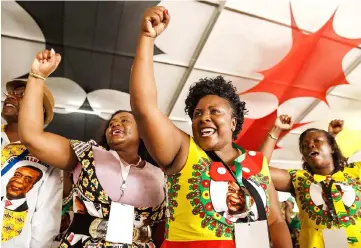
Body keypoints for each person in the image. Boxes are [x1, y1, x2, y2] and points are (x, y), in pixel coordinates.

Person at [129, 6, 292, 248]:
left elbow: (276, 221)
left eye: (215, 111)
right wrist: (146, 39)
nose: (204, 118)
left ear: (233, 122)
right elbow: (144, 109)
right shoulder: (183, 150)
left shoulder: (258, 163)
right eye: (197, 114)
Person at [18, 49, 167, 248]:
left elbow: (164, 228)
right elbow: (32, 137)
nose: (115, 125)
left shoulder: (161, 174)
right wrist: (37, 76)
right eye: (111, 123)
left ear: (142, 132)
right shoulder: (87, 154)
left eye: (124, 120)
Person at [260, 117, 361, 248]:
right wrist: (276, 130)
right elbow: (258, 169)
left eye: (317, 141)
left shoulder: (356, 171)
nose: (310, 145)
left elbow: (339, 160)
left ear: (331, 148)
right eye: (304, 146)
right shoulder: (298, 179)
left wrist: (332, 137)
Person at [1, 79, 63, 247]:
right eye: (11, 94)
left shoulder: (48, 155)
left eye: (22, 95)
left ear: (39, 109)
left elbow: (46, 221)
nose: (11, 97)